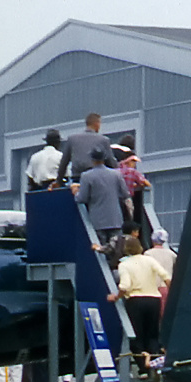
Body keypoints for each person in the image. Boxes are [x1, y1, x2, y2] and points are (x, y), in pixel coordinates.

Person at [107, 237, 170, 365]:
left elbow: (124, 286)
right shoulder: (150, 260)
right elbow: (166, 276)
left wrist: (116, 297)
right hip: (154, 299)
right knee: (152, 335)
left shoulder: (124, 264)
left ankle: (143, 366)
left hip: (135, 301)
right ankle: (155, 362)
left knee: (137, 335)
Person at [74, 150, 131, 247]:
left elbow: (82, 198)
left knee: (101, 250)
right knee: (117, 250)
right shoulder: (116, 174)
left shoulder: (86, 176)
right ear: (104, 159)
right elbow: (125, 194)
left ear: (92, 160)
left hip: (97, 221)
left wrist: (76, 192)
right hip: (115, 219)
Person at [55, 113, 116, 185]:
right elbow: (111, 163)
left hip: (78, 179)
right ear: (97, 124)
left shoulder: (72, 139)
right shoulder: (103, 140)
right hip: (96, 179)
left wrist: (58, 181)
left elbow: (64, 163)